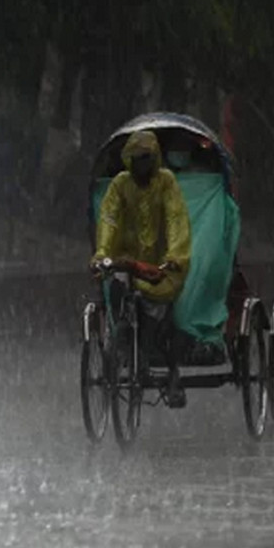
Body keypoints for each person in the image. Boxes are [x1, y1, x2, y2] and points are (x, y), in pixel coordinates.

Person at [91, 130, 193, 407]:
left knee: (164, 317)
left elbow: (176, 219)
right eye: (136, 159)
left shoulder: (166, 182)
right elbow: (109, 217)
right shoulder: (120, 185)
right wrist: (102, 252)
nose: (142, 165)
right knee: (112, 296)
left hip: (161, 265)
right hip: (125, 261)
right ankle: (119, 344)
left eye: (147, 159)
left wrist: (175, 255)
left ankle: (172, 372)